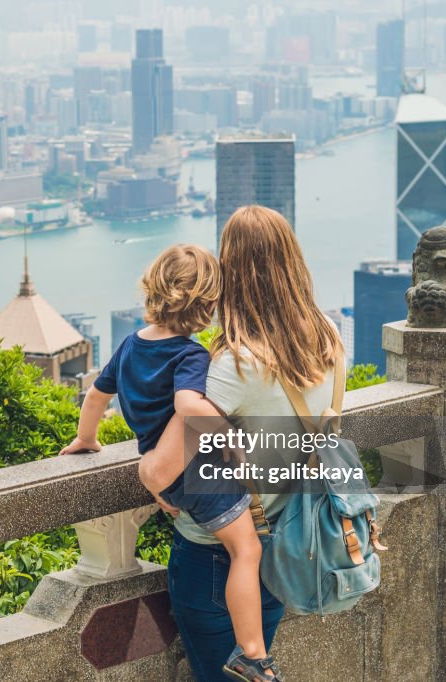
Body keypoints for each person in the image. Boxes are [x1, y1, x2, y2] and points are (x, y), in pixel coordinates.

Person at [139, 205, 345, 681]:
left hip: (214, 557)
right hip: (289, 543)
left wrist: (146, 476)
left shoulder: (234, 366)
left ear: (228, 270)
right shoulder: (329, 338)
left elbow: (162, 470)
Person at [60, 244, 277, 681]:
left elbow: (97, 395)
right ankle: (251, 653)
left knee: (241, 547)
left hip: (172, 478)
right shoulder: (191, 355)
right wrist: (231, 432)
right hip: (199, 477)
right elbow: (188, 405)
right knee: (247, 548)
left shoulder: (129, 345)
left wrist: (87, 438)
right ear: (208, 304)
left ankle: (250, 651)